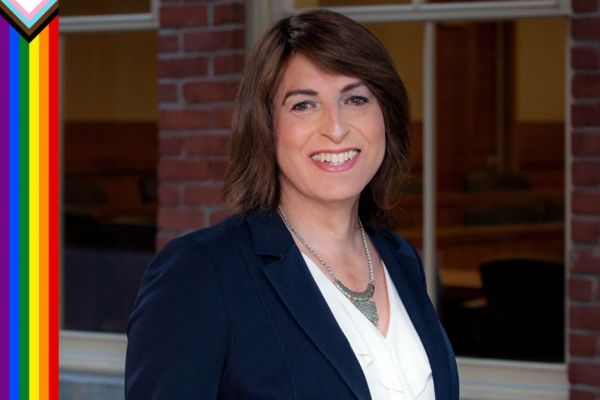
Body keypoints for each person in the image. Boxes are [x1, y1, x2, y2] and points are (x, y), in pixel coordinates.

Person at [125, 9, 459, 400]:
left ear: (386, 116)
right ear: (265, 127)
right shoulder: (201, 272)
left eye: (355, 98)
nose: (335, 128)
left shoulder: (399, 259)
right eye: (303, 104)